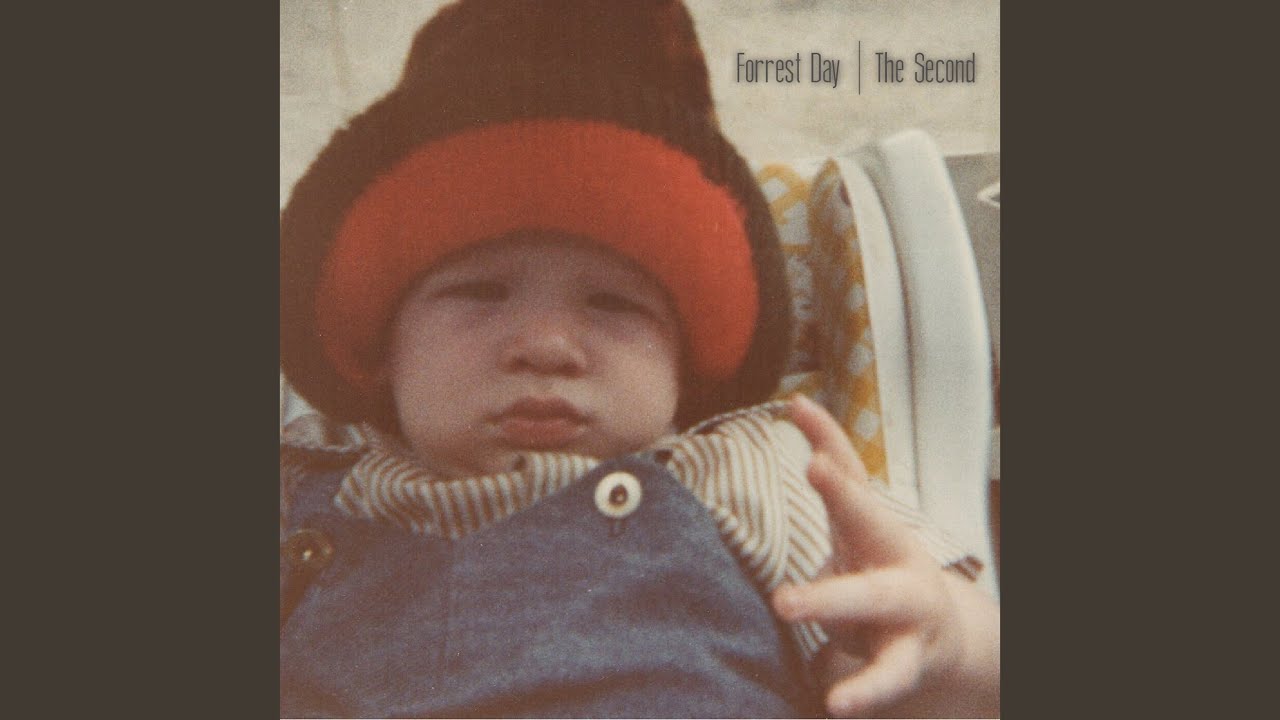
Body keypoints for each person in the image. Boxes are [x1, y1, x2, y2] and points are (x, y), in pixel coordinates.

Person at [280, 1, 999, 717]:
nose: (547, 346)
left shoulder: (750, 469)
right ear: (385, 346)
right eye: (480, 292)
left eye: (612, 304)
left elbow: (954, 670)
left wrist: (945, 639)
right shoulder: (305, 483)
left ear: (684, 366)